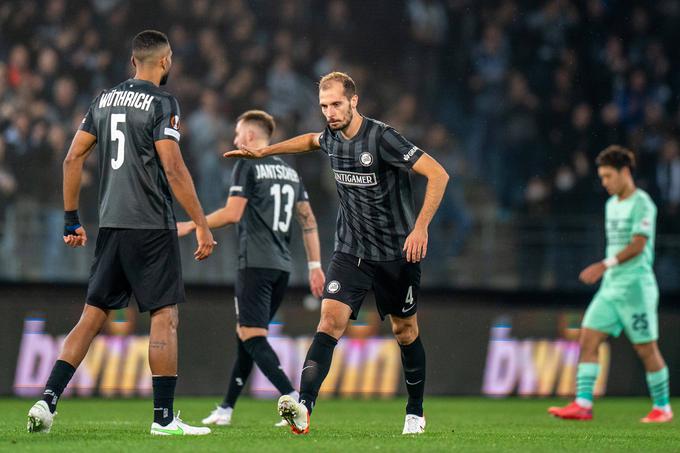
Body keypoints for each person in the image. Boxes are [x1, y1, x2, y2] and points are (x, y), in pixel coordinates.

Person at [224, 72, 449, 435]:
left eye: (336, 104)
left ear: (354, 101)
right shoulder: (330, 137)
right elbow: (309, 142)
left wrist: (421, 227)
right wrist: (267, 150)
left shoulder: (382, 137)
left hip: (396, 253)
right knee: (329, 322)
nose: (330, 112)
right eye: (324, 106)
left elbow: (438, 174)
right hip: (351, 251)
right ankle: (304, 407)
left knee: (405, 330)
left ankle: (415, 412)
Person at [27, 30, 216, 436]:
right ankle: (163, 419)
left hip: (111, 224)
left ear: (133, 61)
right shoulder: (164, 102)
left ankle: (47, 400)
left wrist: (70, 218)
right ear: (165, 62)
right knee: (164, 315)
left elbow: (72, 156)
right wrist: (201, 223)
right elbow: (174, 167)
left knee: (92, 316)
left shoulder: (103, 99)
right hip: (151, 224)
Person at [176, 110, 325, 426]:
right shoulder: (289, 172)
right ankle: (226, 409)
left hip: (255, 264)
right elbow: (308, 221)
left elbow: (232, 214)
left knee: (252, 336)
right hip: (281, 267)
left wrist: (193, 224)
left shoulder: (248, 164)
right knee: (247, 335)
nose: (234, 140)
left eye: (238, 133)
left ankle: (294, 399)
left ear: (252, 137)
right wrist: (314, 265)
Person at [549, 145, 672, 423]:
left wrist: (604, 265)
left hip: (636, 288)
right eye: (602, 177)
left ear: (624, 172)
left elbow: (639, 245)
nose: (604, 183)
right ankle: (583, 404)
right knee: (588, 339)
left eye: (608, 176)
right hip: (611, 288)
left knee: (646, 349)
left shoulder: (642, 203)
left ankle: (662, 408)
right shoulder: (610, 205)